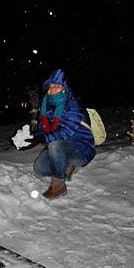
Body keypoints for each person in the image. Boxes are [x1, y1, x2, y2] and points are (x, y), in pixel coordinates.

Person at [19, 69, 96, 199]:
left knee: (55, 144)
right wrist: (31, 138)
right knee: (39, 169)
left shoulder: (73, 104)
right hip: (61, 147)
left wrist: (42, 138)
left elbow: (66, 131)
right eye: (51, 86)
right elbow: (44, 130)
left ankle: (58, 186)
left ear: (64, 88)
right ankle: (66, 165)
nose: (53, 89)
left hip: (81, 148)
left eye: (57, 86)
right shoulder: (46, 105)